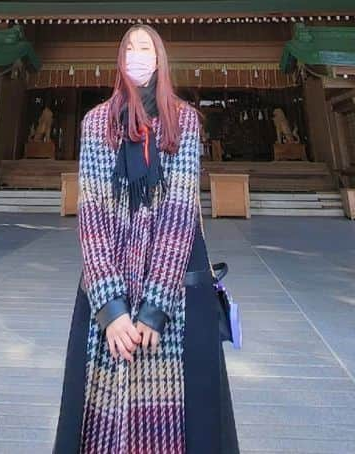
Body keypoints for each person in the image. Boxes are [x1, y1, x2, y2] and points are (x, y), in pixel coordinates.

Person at [54, 24, 239, 454]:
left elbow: (180, 212)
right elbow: (93, 211)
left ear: (161, 59)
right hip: (109, 281)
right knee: (99, 417)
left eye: (147, 48)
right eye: (130, 48)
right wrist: (111, 308)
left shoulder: (183, 120)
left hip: (171, 288)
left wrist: (155, 307)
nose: (138, 55)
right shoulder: (97, 122)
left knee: (173, 419)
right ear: (120, 60)